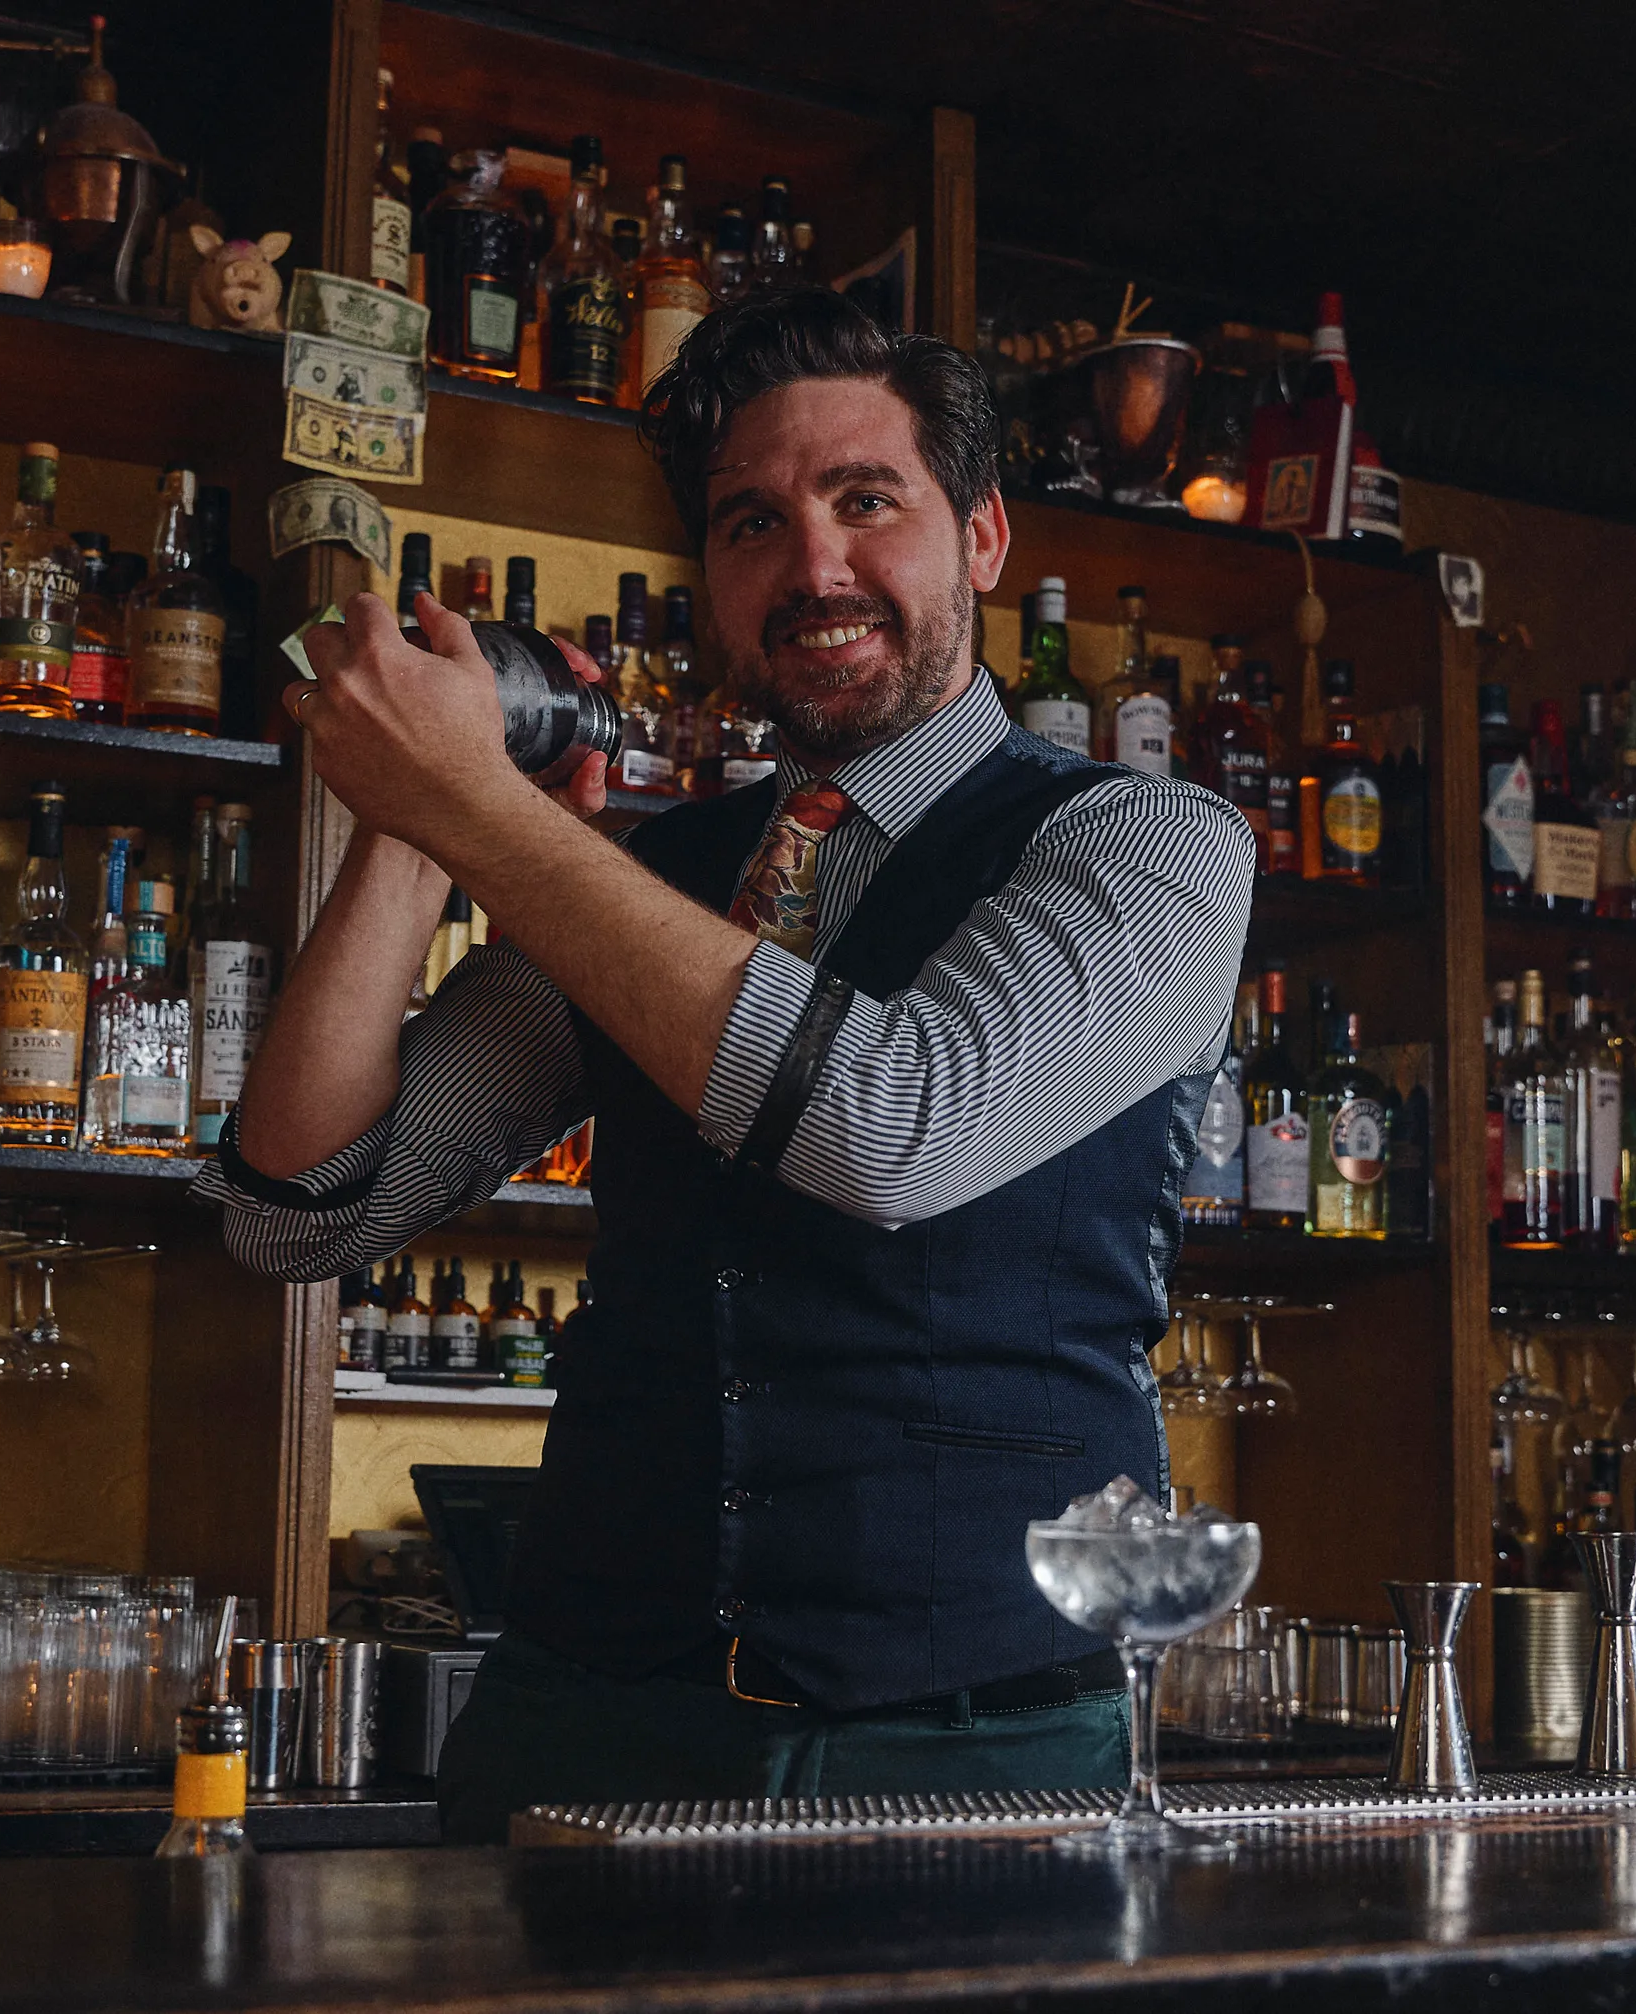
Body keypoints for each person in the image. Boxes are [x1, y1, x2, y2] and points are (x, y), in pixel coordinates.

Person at [199, 287, 1253, 1842]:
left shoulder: (1144, 842)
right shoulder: (646, 872)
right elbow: (297, 1211)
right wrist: (414, 824)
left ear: (983, 537)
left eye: (865, 501)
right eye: (754, 521)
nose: (812, 566)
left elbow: (893, 1126)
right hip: (589, 1713)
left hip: (973, 1740)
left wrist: (494, 819)